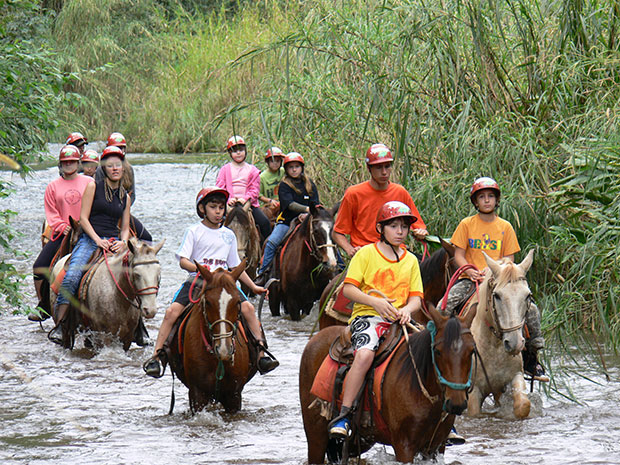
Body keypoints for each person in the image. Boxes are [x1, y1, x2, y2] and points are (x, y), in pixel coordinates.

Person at [142, 187, 279, 378]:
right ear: (202, 209)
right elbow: (183, 260)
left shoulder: (228, 235)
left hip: (225, 282)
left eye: (221, 208)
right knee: (171, 312)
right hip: (199, 280)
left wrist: (254, 286)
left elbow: (235, 266)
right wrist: (198, 269)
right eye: (213, 207)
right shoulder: (194, 231)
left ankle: (261, 353)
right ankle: (158, 356)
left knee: (248, 309)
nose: (218, 212)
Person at [329, 201, 423, 438]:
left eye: (404, 226)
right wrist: (376, 302)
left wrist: (408, 311)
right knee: (364, 355)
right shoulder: (366, 254)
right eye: (394, 226)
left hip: (400, 320)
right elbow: (349, 290)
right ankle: (345, 414)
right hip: (367, 316)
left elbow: (416, 299)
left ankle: (441, 417)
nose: (400, 231)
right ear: (381, 228)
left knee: (433, 349)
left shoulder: (411, 259)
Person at [447, 176, 546, 380]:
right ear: (475, 201)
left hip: (499, 280)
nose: (486, 200)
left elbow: (509, 259)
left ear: (496, 200)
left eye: (490, 196)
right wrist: (469, 269)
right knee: (446, 303)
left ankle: (531, 359)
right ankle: (441, 353)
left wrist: (495, 271)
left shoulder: (505, 227)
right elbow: (458, 254)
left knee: (531, 309)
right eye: (481, 197)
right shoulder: (466, 224)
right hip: (471, 279)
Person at [49, 145, 130, 344]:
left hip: (113, 242)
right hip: (90, 239)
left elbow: (125, 227)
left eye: (118, 165)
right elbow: (83, 219)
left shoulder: (125, 197)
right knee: (73, 274)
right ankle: (61, 324)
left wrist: (124, 243)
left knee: (136, 275)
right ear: (104, 168)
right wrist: (97, 240)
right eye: (110, 165)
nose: (115, 169)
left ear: (123, 168)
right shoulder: (94, 186)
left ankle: (138, 329)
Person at [29, 145, 93, 321]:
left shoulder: (89, 182)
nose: (69, 165)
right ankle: (44, 305)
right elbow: (51, 213)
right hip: (63, 232)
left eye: (72, 161)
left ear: (78, 162)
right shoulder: (52, 186)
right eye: (65, 162)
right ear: (60, 164)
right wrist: (62, 226)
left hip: (87, 232)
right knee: (39, 266)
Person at [333, 143, 428, 257]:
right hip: (366, 253)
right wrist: (350, 250)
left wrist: (421, 232)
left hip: (396, 252)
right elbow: (338, 232)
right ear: (369, 168)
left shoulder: (400, 192)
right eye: (378, 167)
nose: (384, 172)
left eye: (387, 166)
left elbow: (418, 226)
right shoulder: (354, 194)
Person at [255, 152, 319, 281]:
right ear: (286, 169)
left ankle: (338, 267)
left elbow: (316, 202)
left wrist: (308, 214)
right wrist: (306, 209)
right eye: (291, 167)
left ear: (302, 167)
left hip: (308, 220)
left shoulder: (309, 183)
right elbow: (289, 204)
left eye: (297, 166)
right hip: (287, 221)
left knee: (326, 238)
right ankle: (263, 273)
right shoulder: (284, 185)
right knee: (271, 243)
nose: (294, 169)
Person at [94, 132, 152, 243]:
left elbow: (132, 194)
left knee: (147, 238)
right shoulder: (101, 170)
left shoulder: (129, 168)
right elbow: (98, 194)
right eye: (117, 147)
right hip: (105, 212)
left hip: (122, 210)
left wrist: (122, 208)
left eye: (122, 148)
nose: (120, 150)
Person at [216, 135, 272, 241]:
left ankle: (266, 252)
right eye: (235, 151)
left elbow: (255, 190)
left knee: (264, 223)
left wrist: (245, 198)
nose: (238, 153)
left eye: (241, 150)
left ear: (245, 151)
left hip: (248, 203)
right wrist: (228, 199)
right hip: (228, 204)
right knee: (215, 223)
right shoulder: (224, 169)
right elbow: (220, 188)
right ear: (230, 153)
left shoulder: (253, 170)